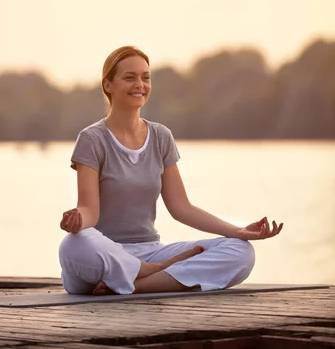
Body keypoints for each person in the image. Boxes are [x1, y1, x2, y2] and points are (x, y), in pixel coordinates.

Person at [59, 46, 283, 296]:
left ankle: (137, 284)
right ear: (108, 85)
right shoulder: (92, 139)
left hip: (151, 250)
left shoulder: (160, 136)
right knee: (73, 245)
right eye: (130, 77)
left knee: (241, 252)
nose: (140, 84)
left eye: (145, 77)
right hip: (103, 254)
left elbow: (181, 207)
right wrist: (77, 220)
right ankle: (149, 271)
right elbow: (89, 210)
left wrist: (238, 231)